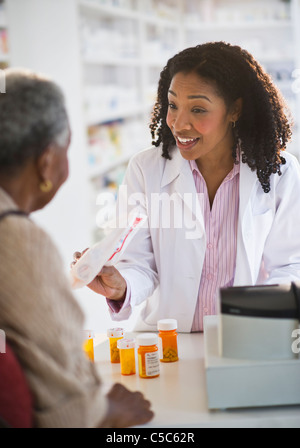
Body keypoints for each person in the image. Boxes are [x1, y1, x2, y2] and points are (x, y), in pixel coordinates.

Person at [74, 41, 300, 333]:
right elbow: (141, 262)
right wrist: (122, 285)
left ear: (235, 110)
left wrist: (259, 321)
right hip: (168, 340)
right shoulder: (146, 169)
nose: (179, 123)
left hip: (246, 337)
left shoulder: (279, 172)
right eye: (173, 105)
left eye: (198, 109)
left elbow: (289, 265)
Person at [0, 68, 153, 428]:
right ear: (47, 161)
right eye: (69, 146)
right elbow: (70, 409)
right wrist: (107, 411)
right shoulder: (18, 240)